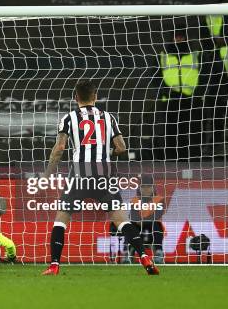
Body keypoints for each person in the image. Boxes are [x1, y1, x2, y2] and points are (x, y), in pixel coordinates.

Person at [42, 80, 159, 276]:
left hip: (80, 173)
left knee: (61, 219)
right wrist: (105, 152)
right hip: (104, 172)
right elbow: (121, 147)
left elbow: (60, 148)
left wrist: (48, 173)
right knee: (121, 221)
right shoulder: (108, 117)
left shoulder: (69, 118)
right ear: (95, 97)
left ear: (76, 98)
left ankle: (54, 265)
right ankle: (145, 256)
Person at [155, 26, 204, 161]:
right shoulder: (162, 55)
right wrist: (165, 92)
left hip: (191, 100)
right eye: (177, 36)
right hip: (170, 100)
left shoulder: (195, 55)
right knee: (171, 132)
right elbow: (155, 78)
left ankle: (193, 161)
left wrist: (199, 93)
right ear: (172, 38)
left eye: (181, 36)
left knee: (192, 132)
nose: (179, 39)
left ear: (186, 38)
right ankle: (173, 162)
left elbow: (204, 75)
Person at [128, 175, 165, 264]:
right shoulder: (134, 200)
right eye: (143, 187)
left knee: (156, 224)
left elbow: (157, 215)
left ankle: (158, 252)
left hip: (153, 226)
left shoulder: (159, 199)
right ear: (139, 188)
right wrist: (139, 221)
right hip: (138, 225)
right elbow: (132, 215)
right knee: (130, 226)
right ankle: (127, 253)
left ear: (153, 188)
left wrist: (142, 220)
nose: (146, 189)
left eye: (148, 186)